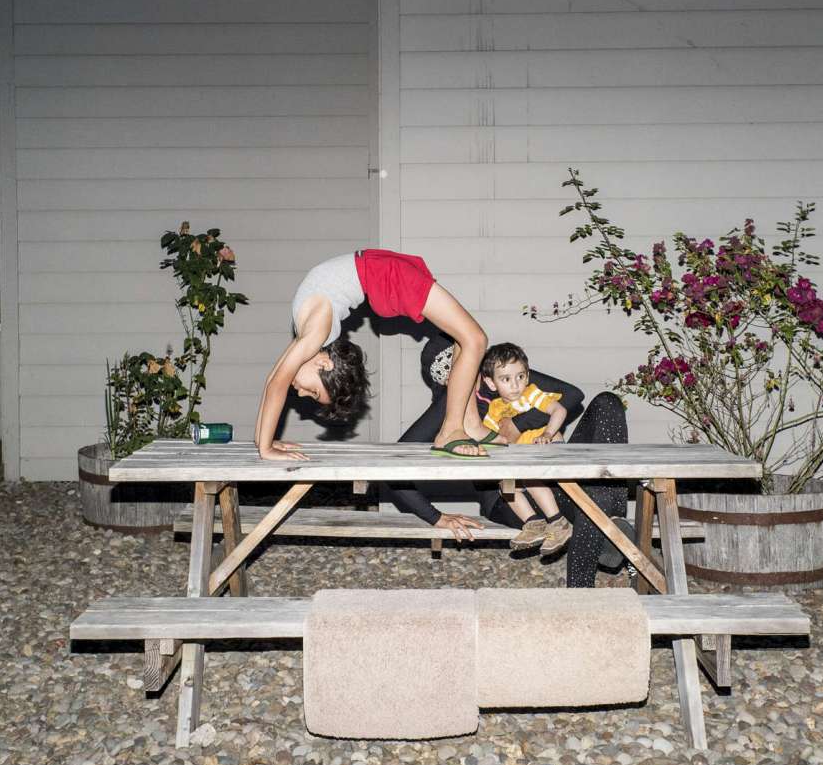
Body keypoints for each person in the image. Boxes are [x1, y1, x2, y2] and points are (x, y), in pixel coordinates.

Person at [384, 334, 632, 588]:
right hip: (512, 497)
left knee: (608, 403)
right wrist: (436, 517)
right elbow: (391, 469)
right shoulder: (449, 408)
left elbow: (571, 395)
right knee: (595, 497)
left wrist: (519, 423)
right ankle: (594, 565)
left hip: (550, 469)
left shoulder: (507, 377)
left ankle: (610, 521)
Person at [254, 249, 487, 461]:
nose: (300, 393)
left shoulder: (314, 335)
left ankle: (452, 429)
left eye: (313, 392)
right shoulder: (308, 335)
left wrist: (265, 448)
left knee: (473, 340)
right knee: (467, 338)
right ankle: (468, 423)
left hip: (384, 273)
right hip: (378, 269)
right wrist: (263, 442)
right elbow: (272, 381)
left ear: (324, 363)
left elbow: (276, 384)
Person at [475, 343, 572, 556]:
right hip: (520, 459)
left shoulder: (531, 394)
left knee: (530, 479)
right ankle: (533, 524)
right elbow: (490, 437)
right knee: (507, 487)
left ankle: (558, 522)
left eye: (520, 376)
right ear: (491, 383)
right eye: (506, 379)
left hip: (542, 450)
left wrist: (548, 433)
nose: (515, 385)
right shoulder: (494, 409)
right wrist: (482, 447)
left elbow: (559, 410)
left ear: (527, 376)